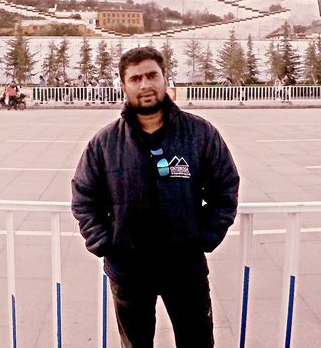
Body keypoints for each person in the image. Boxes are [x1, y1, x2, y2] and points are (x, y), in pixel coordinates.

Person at [72, 47, 240, 348]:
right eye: (135, 78)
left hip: (185, 268)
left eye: (152, 75)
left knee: (197, 342)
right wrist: (106, 243)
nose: (145, 85)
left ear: (165, 79)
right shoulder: (104, 143)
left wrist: (204, 236)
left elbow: (225, 186)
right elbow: (84, 197)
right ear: (123, 86)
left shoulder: (200, 134)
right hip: (128, 272)